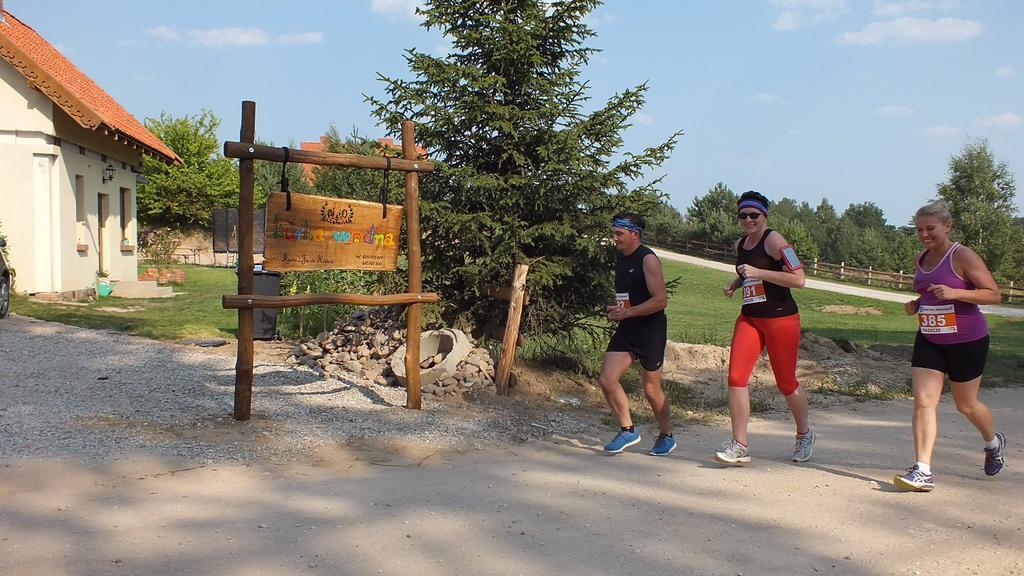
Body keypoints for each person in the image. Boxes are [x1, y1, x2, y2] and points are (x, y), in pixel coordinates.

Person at [893, 199, 1006, 492]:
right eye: (919, 229)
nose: (924, 234)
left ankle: (993, 442)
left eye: (930, 228)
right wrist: (916, 304)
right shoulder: (921, 258)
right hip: (930, 337)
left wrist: (956, 291)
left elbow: (994, 295)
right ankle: (922, 469)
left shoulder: (963, 255)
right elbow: (931, 294)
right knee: (923, 400)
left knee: (966, 405)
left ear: (947, 226)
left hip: (967, 340)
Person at [716, 191, 814, 465]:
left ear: (764, 216)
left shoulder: (775, 240)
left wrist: (759, 273)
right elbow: (745, 270)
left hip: (781, 319)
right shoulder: (741, 244)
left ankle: (804, 434)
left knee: (786, 382)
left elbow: (799, 279)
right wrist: (735, 284)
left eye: (754, 215)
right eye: (743, 215)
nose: (748, 220)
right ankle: (739, 444)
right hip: (750, 318)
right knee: (736, 378)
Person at [600, 212, 675, 456]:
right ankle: (628, 430)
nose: (615, 238)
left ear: (635, 234)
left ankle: (666, 435)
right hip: (628, 326)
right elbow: (630, 297)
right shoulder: (622, 258)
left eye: (619, 233)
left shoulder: (648, 259)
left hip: (650, 330)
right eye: (614, 233)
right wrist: (619, 310)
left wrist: (628, 313)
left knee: (651, 390)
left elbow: (661, 300)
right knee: (607, 379)